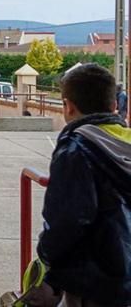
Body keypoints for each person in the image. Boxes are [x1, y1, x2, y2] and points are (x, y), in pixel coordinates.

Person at [36, 64, 131, 306]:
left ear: (68, 106)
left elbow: (66, 221)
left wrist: (46, 260)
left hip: (96, 282)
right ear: (114, 105)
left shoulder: (76, 149)